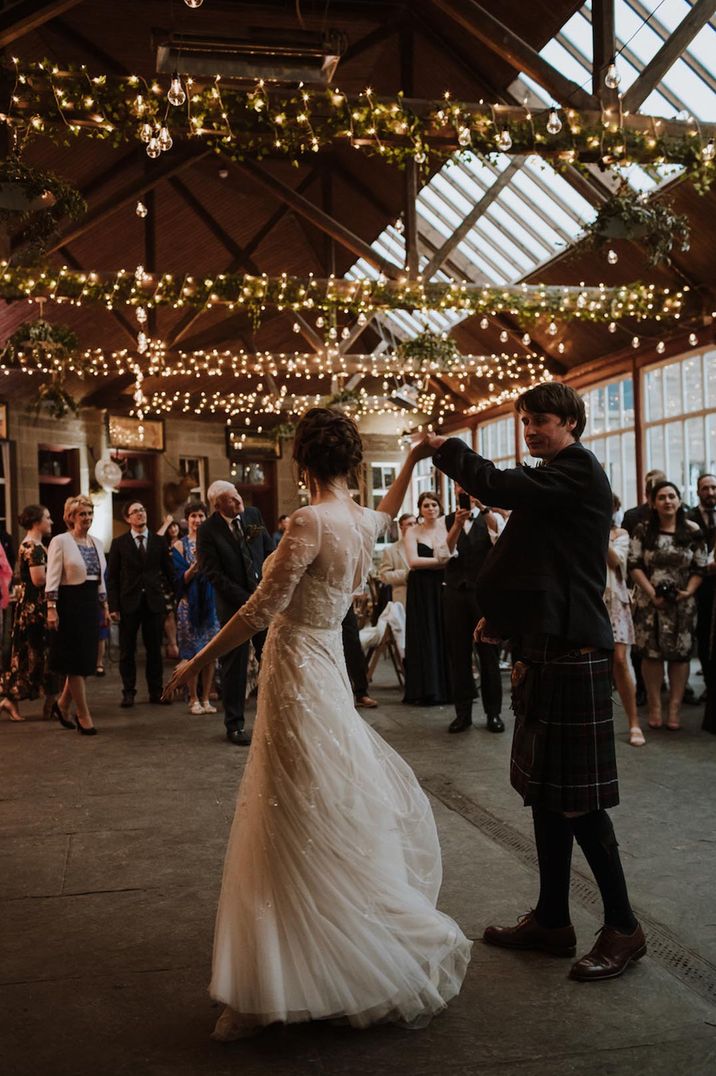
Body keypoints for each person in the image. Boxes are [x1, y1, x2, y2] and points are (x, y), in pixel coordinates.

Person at [163, 407, 471, 1039]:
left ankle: (285, 976)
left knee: (286, 806)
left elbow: (257, 610)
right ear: (351, 463)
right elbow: (385, 510)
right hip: (327, 666)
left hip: (297, 670)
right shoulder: (362, 522)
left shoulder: (308, 521)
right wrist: (411, 460)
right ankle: (316, 950)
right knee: (329, 796)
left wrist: (197, 659)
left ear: (302, 463)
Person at [422, 382, 645, 983]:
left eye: (541, 421)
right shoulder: (557, 477)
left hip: (573, 653)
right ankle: (552, 919)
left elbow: (500, 487)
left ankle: (623, 927)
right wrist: (507, 618)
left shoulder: (575, 471)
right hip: (546, 648)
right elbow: (537, 561)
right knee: (545, 794)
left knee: (579, 800)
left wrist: (447, 448)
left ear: (571, 421)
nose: (531, 431)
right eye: (525, 422)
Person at [629, 480, 705, 731]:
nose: (668, 501)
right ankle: (655, 706)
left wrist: (687, 592)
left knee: (680, 656)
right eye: (662, 497)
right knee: (651, 655)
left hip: (682, 602)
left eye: (672, 496)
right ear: (653, 502)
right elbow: (634, 564)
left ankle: (674, 707)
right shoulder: (643, 529)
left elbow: (700, 567)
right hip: (650, 602)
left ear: (680, 500)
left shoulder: (692, 530)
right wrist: (652, 593)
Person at [196, 481, 260, 746]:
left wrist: (266, 590)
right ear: (218, 504)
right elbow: (213, 574)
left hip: (264, 597)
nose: (239, 503)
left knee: (272, 655)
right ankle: (234, 724)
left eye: (238, 496)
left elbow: (265, 550)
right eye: (232, 500)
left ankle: (276, 718)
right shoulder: (207, 531)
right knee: (235, 664)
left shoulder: (252, 516)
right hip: (234, 605)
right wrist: (247, 599)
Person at [46, 496, 109, 736]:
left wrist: (104, 607)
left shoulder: (96, 542)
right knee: (75, 662)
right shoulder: (60, 541)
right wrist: (51, 607)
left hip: (90, 602)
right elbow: (52, 576)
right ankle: (83, 714)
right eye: (82, 514)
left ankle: (62, 705)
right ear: (71, 517)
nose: (88, 518)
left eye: (90, 513)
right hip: (69, 603)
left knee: (86, 660)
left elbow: (100, 578)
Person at [443, 485, 504, 734]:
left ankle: (494, 714)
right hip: (455, 594)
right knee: (459, 655)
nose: (466, 492)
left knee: (489, 655)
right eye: (461, 488)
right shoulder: (446, 520)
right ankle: (463, 713)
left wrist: (483, 507)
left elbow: (499, 538)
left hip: (484, 596)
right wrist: (457, 525)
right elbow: (443, 553)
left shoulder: (492, 516)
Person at [107, 502, 175, 708]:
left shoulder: (158, 541)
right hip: (129, 602)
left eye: (143, 510)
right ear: (127, 518)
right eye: (135, 512)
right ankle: (129, 692)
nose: (140, 514)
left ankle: (156, 691)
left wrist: (177, 596)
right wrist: (113, 606)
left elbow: (169, 572)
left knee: (154, 649)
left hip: (154, 602)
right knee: (128, 651)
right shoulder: (119, 543)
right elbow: (112, 578)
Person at [402, 491, 452, 705]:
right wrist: (441, 562)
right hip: (421, 587)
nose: (430, 508)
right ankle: (426, 688)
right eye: (426, 505)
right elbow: (413, 562)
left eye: (433, 505)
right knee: (426, 633)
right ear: (420, 509)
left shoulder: (447, 528)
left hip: (443, 584)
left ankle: (448, 688)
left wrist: (443, 563)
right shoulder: (412, 532)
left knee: (446, 632)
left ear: (439, 507)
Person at [622, 470, 666, 707]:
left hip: (671, 586)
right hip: (640, 584)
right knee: (642, 639)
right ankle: (641, 686)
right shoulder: (632, 516)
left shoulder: (682, 515)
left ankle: (666, 684)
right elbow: (629, 555)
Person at [171, 501, 220, 715]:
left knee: (210, 653)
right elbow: (177, 580)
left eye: (201, 516)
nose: (197, 520)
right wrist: (195, 566)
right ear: (187, 519)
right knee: (192, 655)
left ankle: (206, 697)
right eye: (193, 516)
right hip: (188, 605)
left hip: (210, 605)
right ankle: (192, 698)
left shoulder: (212, 543)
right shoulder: (179, 546)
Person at [605, 497, 643, 746]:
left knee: (621, 660)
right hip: (587, 600)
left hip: (615, 601)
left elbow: (615, 561)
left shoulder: (621, 534)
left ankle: (634, 723)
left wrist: (596, 528)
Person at [686, 473, 716, 696]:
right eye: (706, 488)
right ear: (698, 491)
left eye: (714, 488)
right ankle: (709, 682)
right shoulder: (688, 517)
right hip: (700, 585)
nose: (711, 493)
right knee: (704, 634)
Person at [378, 512, 415, 606]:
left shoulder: (424, 546)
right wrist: (406, 575)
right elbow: (384, 576)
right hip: (403, 600)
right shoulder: (391, 550)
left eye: (415, 523)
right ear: (401, 527)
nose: (414, 526)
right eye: (410, 524)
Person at [159, 518, 181, 660]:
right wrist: (166, 523)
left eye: (175, 526)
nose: (173, 529)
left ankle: (181, 644)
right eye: (170, 527)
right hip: (166, 583)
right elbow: (155, 539)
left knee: (181, 613)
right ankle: (173, 644)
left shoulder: (184, 541)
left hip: (181, 580)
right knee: (169, 614)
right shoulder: (163, 544)